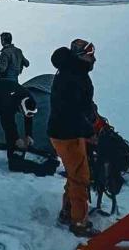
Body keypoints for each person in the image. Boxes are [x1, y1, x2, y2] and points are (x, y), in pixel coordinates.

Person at [48, 39, 100, 238]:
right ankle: (79, 222)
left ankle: (68, 210)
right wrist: (89, 132)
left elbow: (80, 106)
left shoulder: (71, 72)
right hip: (68, 134)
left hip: (64, 131)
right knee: (80, 178)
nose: (93, 58)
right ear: (80, 56)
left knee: (74, 173)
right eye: (89, 54)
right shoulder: (73, 77)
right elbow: (72, 111)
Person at [0, 78, 37, 171]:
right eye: (26, 113)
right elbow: (9, 123)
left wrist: (29, 135)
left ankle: (12, 156)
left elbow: (28, 117)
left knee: (10, 130)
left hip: (7, 91)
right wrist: (17, 139)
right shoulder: (10, 102)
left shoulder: (29, 99)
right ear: (21, 108)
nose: (28, 115)